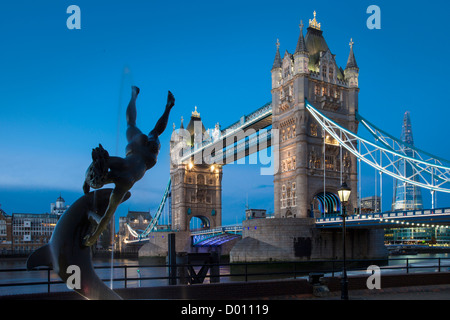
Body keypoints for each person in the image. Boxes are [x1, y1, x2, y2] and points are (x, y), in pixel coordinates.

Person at [82, 86, 175, 246]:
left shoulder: (123, 181)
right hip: (141, 151)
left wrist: (90, 239)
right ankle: (144, 98)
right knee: (143, 127)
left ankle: (144, 98)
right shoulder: (117, 165)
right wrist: (86, 184)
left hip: (141, 150)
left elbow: (106, 218)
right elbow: (98, 164)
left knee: (139, 126)